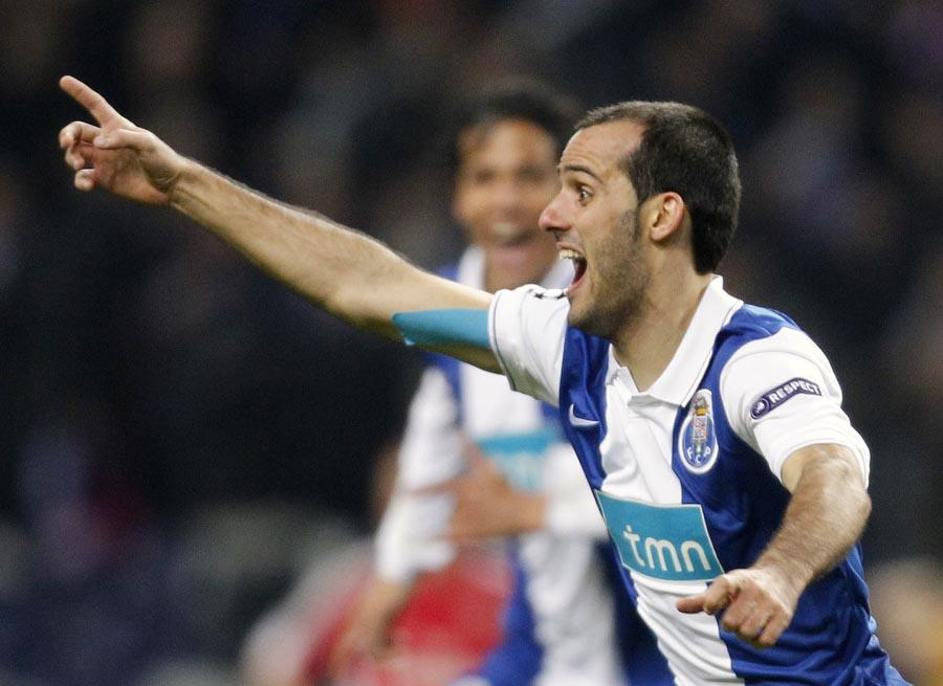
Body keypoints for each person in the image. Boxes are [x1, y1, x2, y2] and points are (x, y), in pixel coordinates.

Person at [58, 75, 908, 684]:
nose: (548, 216)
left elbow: (834, 479)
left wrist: (780, 572)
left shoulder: (754, 359)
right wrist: (182, 184)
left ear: (661, 216)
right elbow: (366, 285)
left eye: (580, 191)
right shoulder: (565, 346)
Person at [322, 83, 670, 686]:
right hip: (542, 651)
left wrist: (542, 502)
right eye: (485, 178)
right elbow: (432, 445)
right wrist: (395, 572)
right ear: (458, 198)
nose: (507, 201)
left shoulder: (623, 313)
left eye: (530, 176)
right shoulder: (449, 309)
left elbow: (681, 484)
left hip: (658, 653)